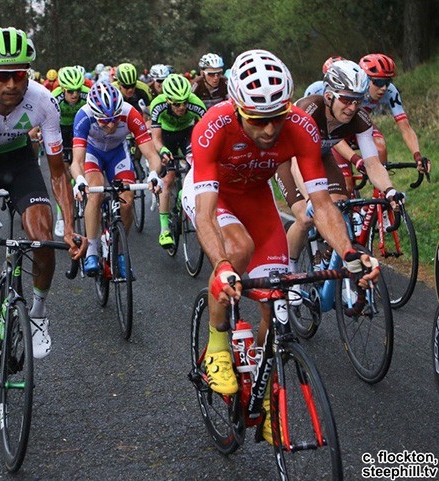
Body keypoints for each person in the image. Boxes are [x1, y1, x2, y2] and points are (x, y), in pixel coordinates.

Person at [182, 50, 379, 443]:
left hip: (256, 199)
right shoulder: (213, 125)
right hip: (214, 197)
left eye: (277, 117)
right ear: (238, 108)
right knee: (236, 249)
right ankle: (218, 343)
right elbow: (204, 215)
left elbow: (321, 205)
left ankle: (262, 386)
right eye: (259, 120)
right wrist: (220, 264)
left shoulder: (301, 127)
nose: (271, 130)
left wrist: (350, 253)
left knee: (277, 303)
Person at [0, 27, 85, 394]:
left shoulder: (43, 102)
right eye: (2, 76)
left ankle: (38, 314)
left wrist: (68, 225)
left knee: (42, 239)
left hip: (19, 161)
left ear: (29, 75)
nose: (11, 85)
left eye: (19, 75)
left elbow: (58, 173)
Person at [275, 60, 404, 277]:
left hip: (321, 156)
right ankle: (290, 270)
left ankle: (332, 259)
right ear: (329, 96)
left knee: (338, 208)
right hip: (289, 161)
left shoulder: (359, 118)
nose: (352, 107)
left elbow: (373, 163)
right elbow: (298, 160)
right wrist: (310, 200)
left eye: (358, 100)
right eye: (346, 99)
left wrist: (390, 191)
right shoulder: (309, 110)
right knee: (307, 218)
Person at [70, 82, 163, 277]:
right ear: (95, 115)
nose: (111, 125)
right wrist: (79, 179)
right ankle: (93, 250)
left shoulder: (130, 114)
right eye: (104, 121)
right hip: (92, 153)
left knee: (127, 200)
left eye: (114, 119)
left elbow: (152, 155)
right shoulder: (84, 116)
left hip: (117, 154)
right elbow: (76, 161)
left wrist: (154, 174)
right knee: (94, 192)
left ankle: (119, 251)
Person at [148, 74, 206, 248]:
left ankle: (186, 193)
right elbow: (156, 139)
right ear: (167, 100)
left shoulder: (196, 104)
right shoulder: (157, 105)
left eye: (184, 102)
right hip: (166, 137)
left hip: (188, 133)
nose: (182, 107)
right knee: (168, 179)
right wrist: (163, 150)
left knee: (197, 167)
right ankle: (164, 229)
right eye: (176, 103)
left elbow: (206, 134)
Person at [358, 53, 431, 175]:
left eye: (388, 81)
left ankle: (381, 193)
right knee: (347, 184)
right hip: (339, 127)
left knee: (380, 148)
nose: (384, 88)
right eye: (379, 82)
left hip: (360, 122)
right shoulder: (353, 88)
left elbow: (405, 128)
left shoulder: (390, 91)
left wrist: (417, 156)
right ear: (364, 78)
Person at [51, 66, 91, 237]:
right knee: (63, 174)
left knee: (83, 165)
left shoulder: (87, 95)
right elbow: (48, 123)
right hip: (60, 129)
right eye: (70, 91)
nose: (75, 94)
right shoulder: (54, 98)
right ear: (63, 89)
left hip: (80, 128)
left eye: (77, 90)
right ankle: (61, 216)